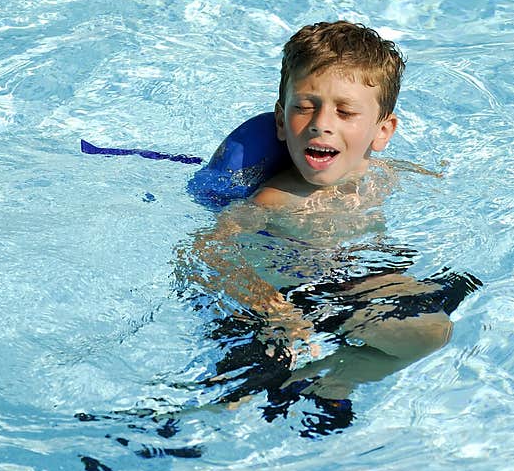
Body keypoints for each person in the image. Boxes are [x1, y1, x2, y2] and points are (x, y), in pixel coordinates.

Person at [178, 21, 482, 436]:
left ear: (382, 131)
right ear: (281, 122)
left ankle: (333, 378)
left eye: (345, 111)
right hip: (288, 296)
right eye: (305, 106)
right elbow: (205, 251)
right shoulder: (273, 199)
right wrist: (265, 302)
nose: (322, 123)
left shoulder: (385, 177)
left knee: (431, 333)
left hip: (353, 283)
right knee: (234, 398)